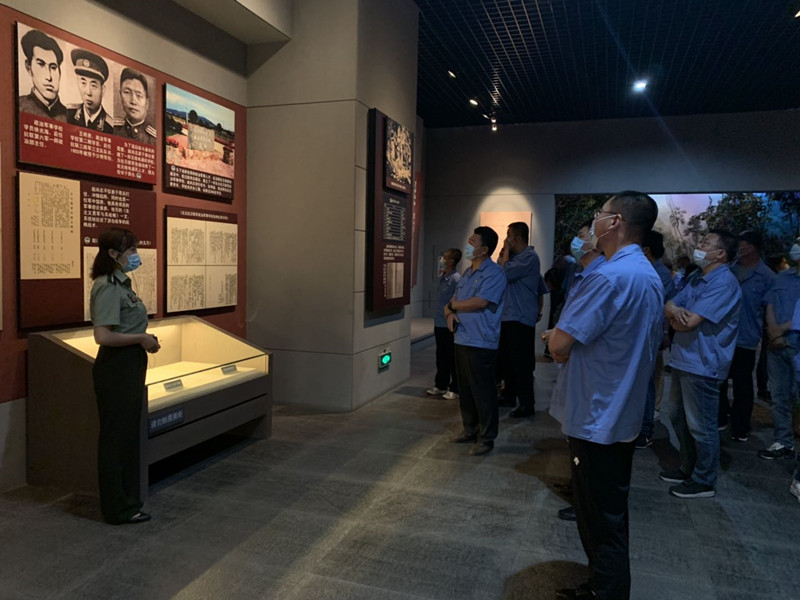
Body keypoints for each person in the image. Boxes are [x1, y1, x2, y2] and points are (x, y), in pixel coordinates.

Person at [546, 192, 663, 600]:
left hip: (598, 413)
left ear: (615, 222)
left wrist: (556, 342)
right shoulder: (645, 272)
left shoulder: (609, 276)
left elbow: (560, 342)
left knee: (599, 520)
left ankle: (605, 590)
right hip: (619, 410)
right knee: (609, 512)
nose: (593, 223)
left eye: (599, 214)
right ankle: (607, 586)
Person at [662, 229, 741, 499]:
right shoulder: (697, 277)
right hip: (684, 359)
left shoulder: (724, 283)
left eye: (706, 243)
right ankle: (688, 467)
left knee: (702, 425)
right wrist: (675, 313)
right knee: (677, 416)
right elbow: (670, 305)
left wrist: (675, 318)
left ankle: (704, 479)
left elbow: (690, 323)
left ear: (720, 254)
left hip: (704, 363)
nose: (700, 245)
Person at [90, 227, 160, 524]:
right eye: (130, 250)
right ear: (113, 254)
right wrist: (141, 339)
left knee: (126, 435)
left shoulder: (122, 283)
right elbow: (103, 336)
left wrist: (142, 339)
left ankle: (127, 501)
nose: (135, 255)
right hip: (116, 366)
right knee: (116, 438)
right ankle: (117, 508)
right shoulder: (107, 286)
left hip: (130, 363)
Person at [546, 219, 605, 524]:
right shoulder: (581, 274)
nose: (576, 240)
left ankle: (587, 501)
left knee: (587, 439)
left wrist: (559, 341)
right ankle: (580, 488)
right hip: (574, 362)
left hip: (589, 368)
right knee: (576, 436)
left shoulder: (601, 277)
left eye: (582, 235)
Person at [444, 226, 506, 456]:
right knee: (466, 390)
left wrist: (453, 306)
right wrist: (449, 313)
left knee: (483, 392)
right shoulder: (467, 273)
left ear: (485, 249)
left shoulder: (495, 273)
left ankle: (486, 437)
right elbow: (452, 301)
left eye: (473, 241)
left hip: (481, 341)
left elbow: (481, 302)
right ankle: (469, 429)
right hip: (462, 338)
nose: (468, 244)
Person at [718, 231, 775, 441]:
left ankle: (741, 426)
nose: (737, 248)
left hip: (746, 338)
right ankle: (720, 418)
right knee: (719, 380)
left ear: (751, 247)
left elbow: (771, 310)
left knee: (743, 384)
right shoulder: (727, 270)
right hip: (722, 336)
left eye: (740, 244)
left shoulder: (767, 277)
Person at [757, 238, 800, 460]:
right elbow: (770, 303)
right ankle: (783, 441)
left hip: (795, 344)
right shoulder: (782, 277)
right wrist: (773, 331)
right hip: (776, 345)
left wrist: (780, 331)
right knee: (779, 395)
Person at [636, 230, 677, 448]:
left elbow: (658, 308)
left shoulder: (659, 274)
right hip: (642, 334)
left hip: (648, 335)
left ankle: (645, 430)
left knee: (646, 381)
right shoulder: (650, 270)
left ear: (646, 250)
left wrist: (664, 334)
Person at [496, 222, 541, 418]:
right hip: (508, 316)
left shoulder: (529, 257)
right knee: (507, 361)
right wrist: (504, 254)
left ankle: (526, 404)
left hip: (521, 317)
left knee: (521, 363)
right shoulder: (514, 258)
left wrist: (505, 253)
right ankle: (509, 395)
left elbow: (505, 273)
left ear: (518, 238)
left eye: (509, 236)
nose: (507, 240)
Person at [427, 248, 462, 400]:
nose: (441, 259)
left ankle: (455, 387)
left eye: (445, 257)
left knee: (451, 356)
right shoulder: (443, 277)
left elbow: (456, 301)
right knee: (441, 355)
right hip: (439, 322)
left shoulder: (456, 279)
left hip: (449, 323)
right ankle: (441, 384)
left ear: (451, 261)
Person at [18, 29, 67, 121]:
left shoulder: (70, 117)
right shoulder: (19, 106)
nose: (49, 77)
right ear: (29, 67)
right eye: (41, 64)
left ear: (60, 72)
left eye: (53, 67)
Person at [68, 49, 113, 133]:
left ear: (103, 90)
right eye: (83, 83)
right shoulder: (68, 115)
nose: (88, 92)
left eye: (93, 85)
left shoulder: (110, 127)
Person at [114, 67, 157, 144]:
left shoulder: (154, 139)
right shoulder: (113, 129)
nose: (133, 101)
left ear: (147, 103)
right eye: (127, 92)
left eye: (139, 95)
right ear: (120, 95)